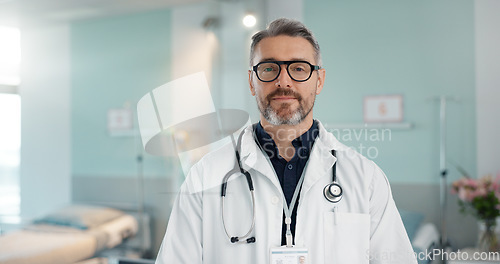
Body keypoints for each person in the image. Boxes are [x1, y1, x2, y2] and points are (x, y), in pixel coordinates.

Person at [155, 18, 417, 264]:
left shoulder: (365, 178)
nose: (284, 81)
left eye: (299, 68)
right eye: (269, 68)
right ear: (251, 81)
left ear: (319, 80)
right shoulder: (205, 175)